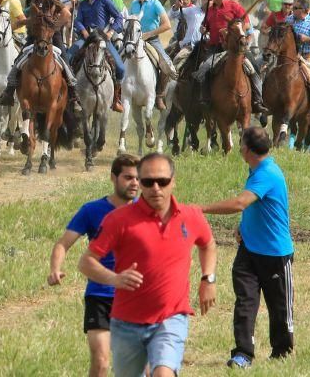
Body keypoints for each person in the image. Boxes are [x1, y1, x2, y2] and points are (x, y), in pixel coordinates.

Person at [78, 153, 217, 377]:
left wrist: (208, 278)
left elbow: (208, 244)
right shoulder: (119, 219)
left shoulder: (191, 216)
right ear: (140, 183)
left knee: (163, 373)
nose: (155, 188)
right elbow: (86, 262)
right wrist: (114, 279)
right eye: (147, 182)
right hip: (126, 322)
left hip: (170, 318)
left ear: (173, 181)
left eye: (162, 181)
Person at [199, 127, 294, 369]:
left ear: (247, 150)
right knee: (245, 302)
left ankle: (282, 352)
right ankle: (243, 354)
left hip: (275, 253)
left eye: (241, 143)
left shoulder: (268, 173)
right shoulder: (256, 169)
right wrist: (244, 227)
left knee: (279, 307)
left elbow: (241, 202)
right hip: (249, 250)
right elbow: (259, 206)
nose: (239, 147)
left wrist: (201, 208)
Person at [47, 154, 140, 377]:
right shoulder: (91, 210)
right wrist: (55, 269)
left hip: (135, 296)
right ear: (113, 178)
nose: (134, 183)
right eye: (128, 177)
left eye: (138, 178)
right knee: (101, 362)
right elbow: (63, 243)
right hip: (99, 295)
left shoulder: (146, 210)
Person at [0, 0, 82, 110]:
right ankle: (9, 92)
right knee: (18, 61)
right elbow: (36, 19)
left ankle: (74, 95)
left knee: (64, 61)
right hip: (34, 36)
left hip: (52, 37)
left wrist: (52, 28)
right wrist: (19, 23)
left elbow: (66, 14)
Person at [197, 0, 267, 114]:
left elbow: (246, 25)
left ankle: (258, 100)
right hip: (215, 47)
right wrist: (203, 29)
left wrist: (230, 33)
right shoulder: (210, 9)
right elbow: (206, 26)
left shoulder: (234, 6)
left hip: (235, 48)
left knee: (254, 68)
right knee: (204, 68)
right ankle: (205, 99)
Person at [70, 0, 125, 111]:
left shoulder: (104, 0)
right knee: (69, 55)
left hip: (102, 38)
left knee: (120, 68)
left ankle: (115, 99)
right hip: (86, 38)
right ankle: (72, 96)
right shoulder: (82, 4)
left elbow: (119, 17)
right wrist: (83, 31)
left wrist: (111, 32)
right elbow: (78, 21)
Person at [128, 0, 177, 110]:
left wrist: (149, 34)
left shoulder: (156, 4)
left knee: (166, 65)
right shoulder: (133, 4)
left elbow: (167, 25)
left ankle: (159, 95)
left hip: (152, 40)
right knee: (118, 60)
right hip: (134, 40)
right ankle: (119, 94)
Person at [168, 0, 206, 70]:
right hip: (177, 38)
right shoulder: (182, 8)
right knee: (166, 54)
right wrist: (176, 7)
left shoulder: (193, 9)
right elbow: (170, 16)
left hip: (192, 41)